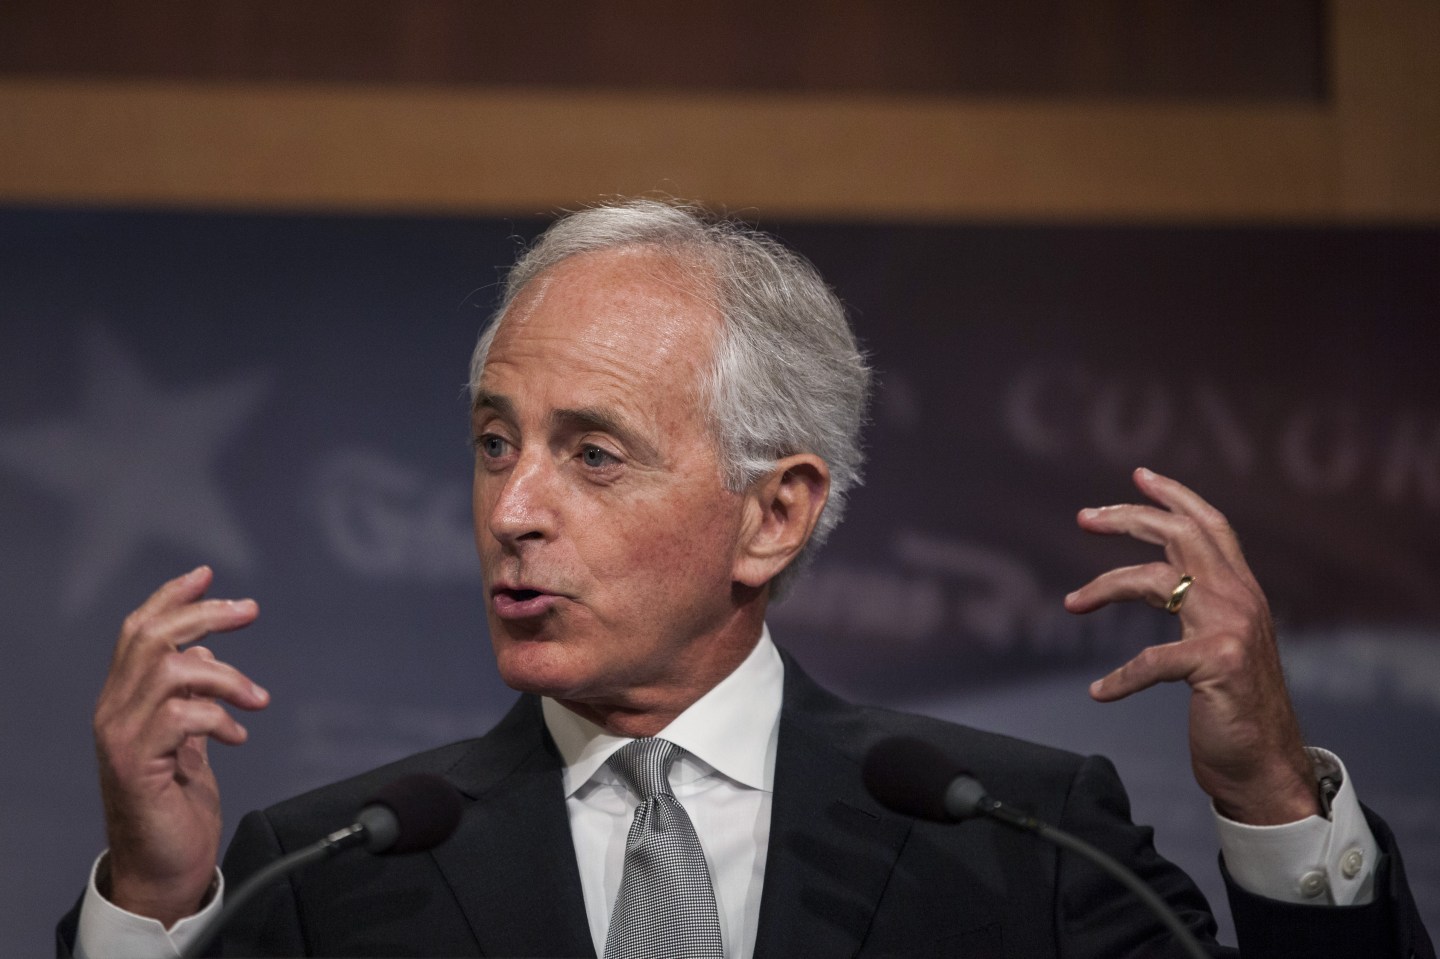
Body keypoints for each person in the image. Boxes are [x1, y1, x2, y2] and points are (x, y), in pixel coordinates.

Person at [59, 199, 1431, 957]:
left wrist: (1270, 796)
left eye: (593, 455)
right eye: (494, 444)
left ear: (773, 517)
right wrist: (155, 905)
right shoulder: (326, 872)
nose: (511, 511)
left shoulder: (1021, 843)